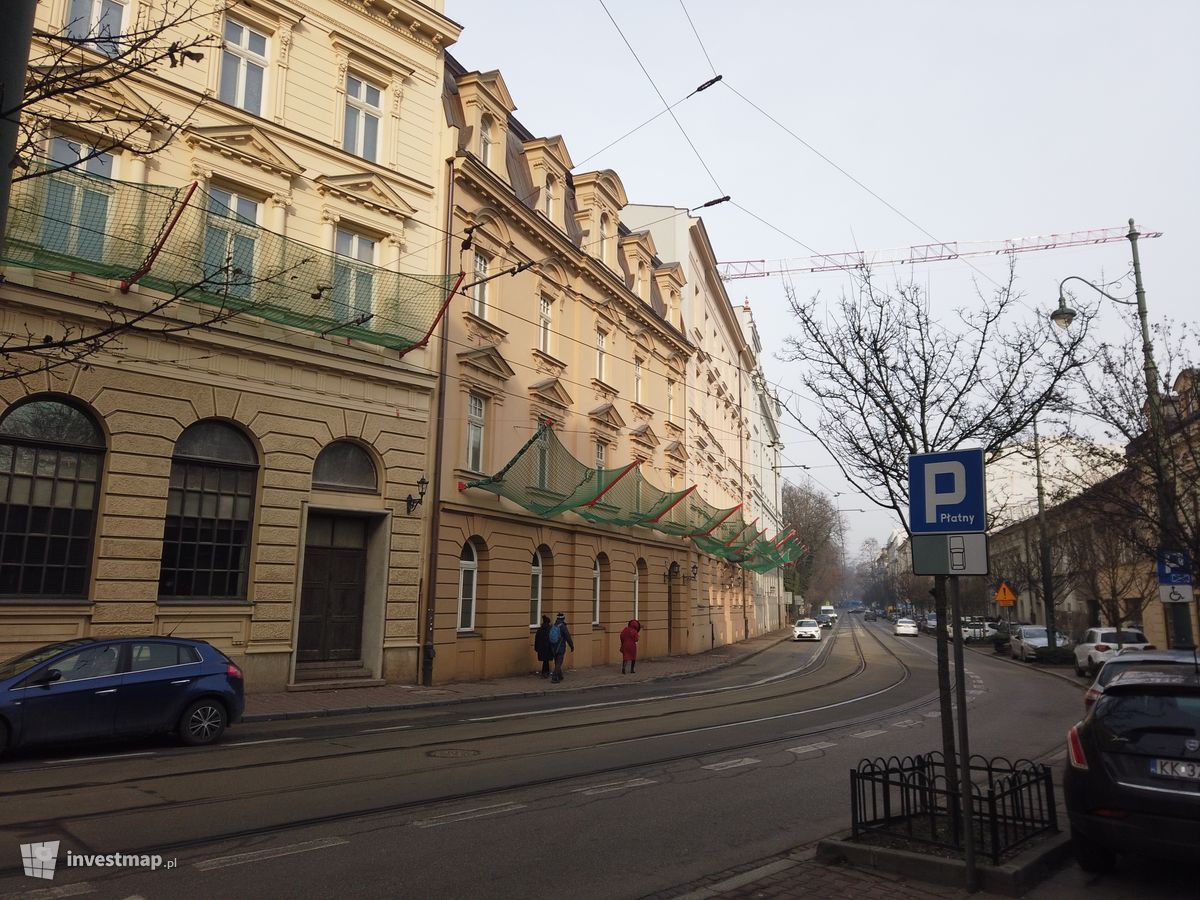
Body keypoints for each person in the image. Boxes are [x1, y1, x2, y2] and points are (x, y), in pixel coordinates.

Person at [549, 612, 574, 683]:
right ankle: (554, 677)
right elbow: (568, 637)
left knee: (557, 662)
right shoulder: (563, 627)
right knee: (559, 663)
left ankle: (560, 676)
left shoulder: (554, 625)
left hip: (553, 647)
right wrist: (571, 646)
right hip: (560, 647)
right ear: (563, 618)